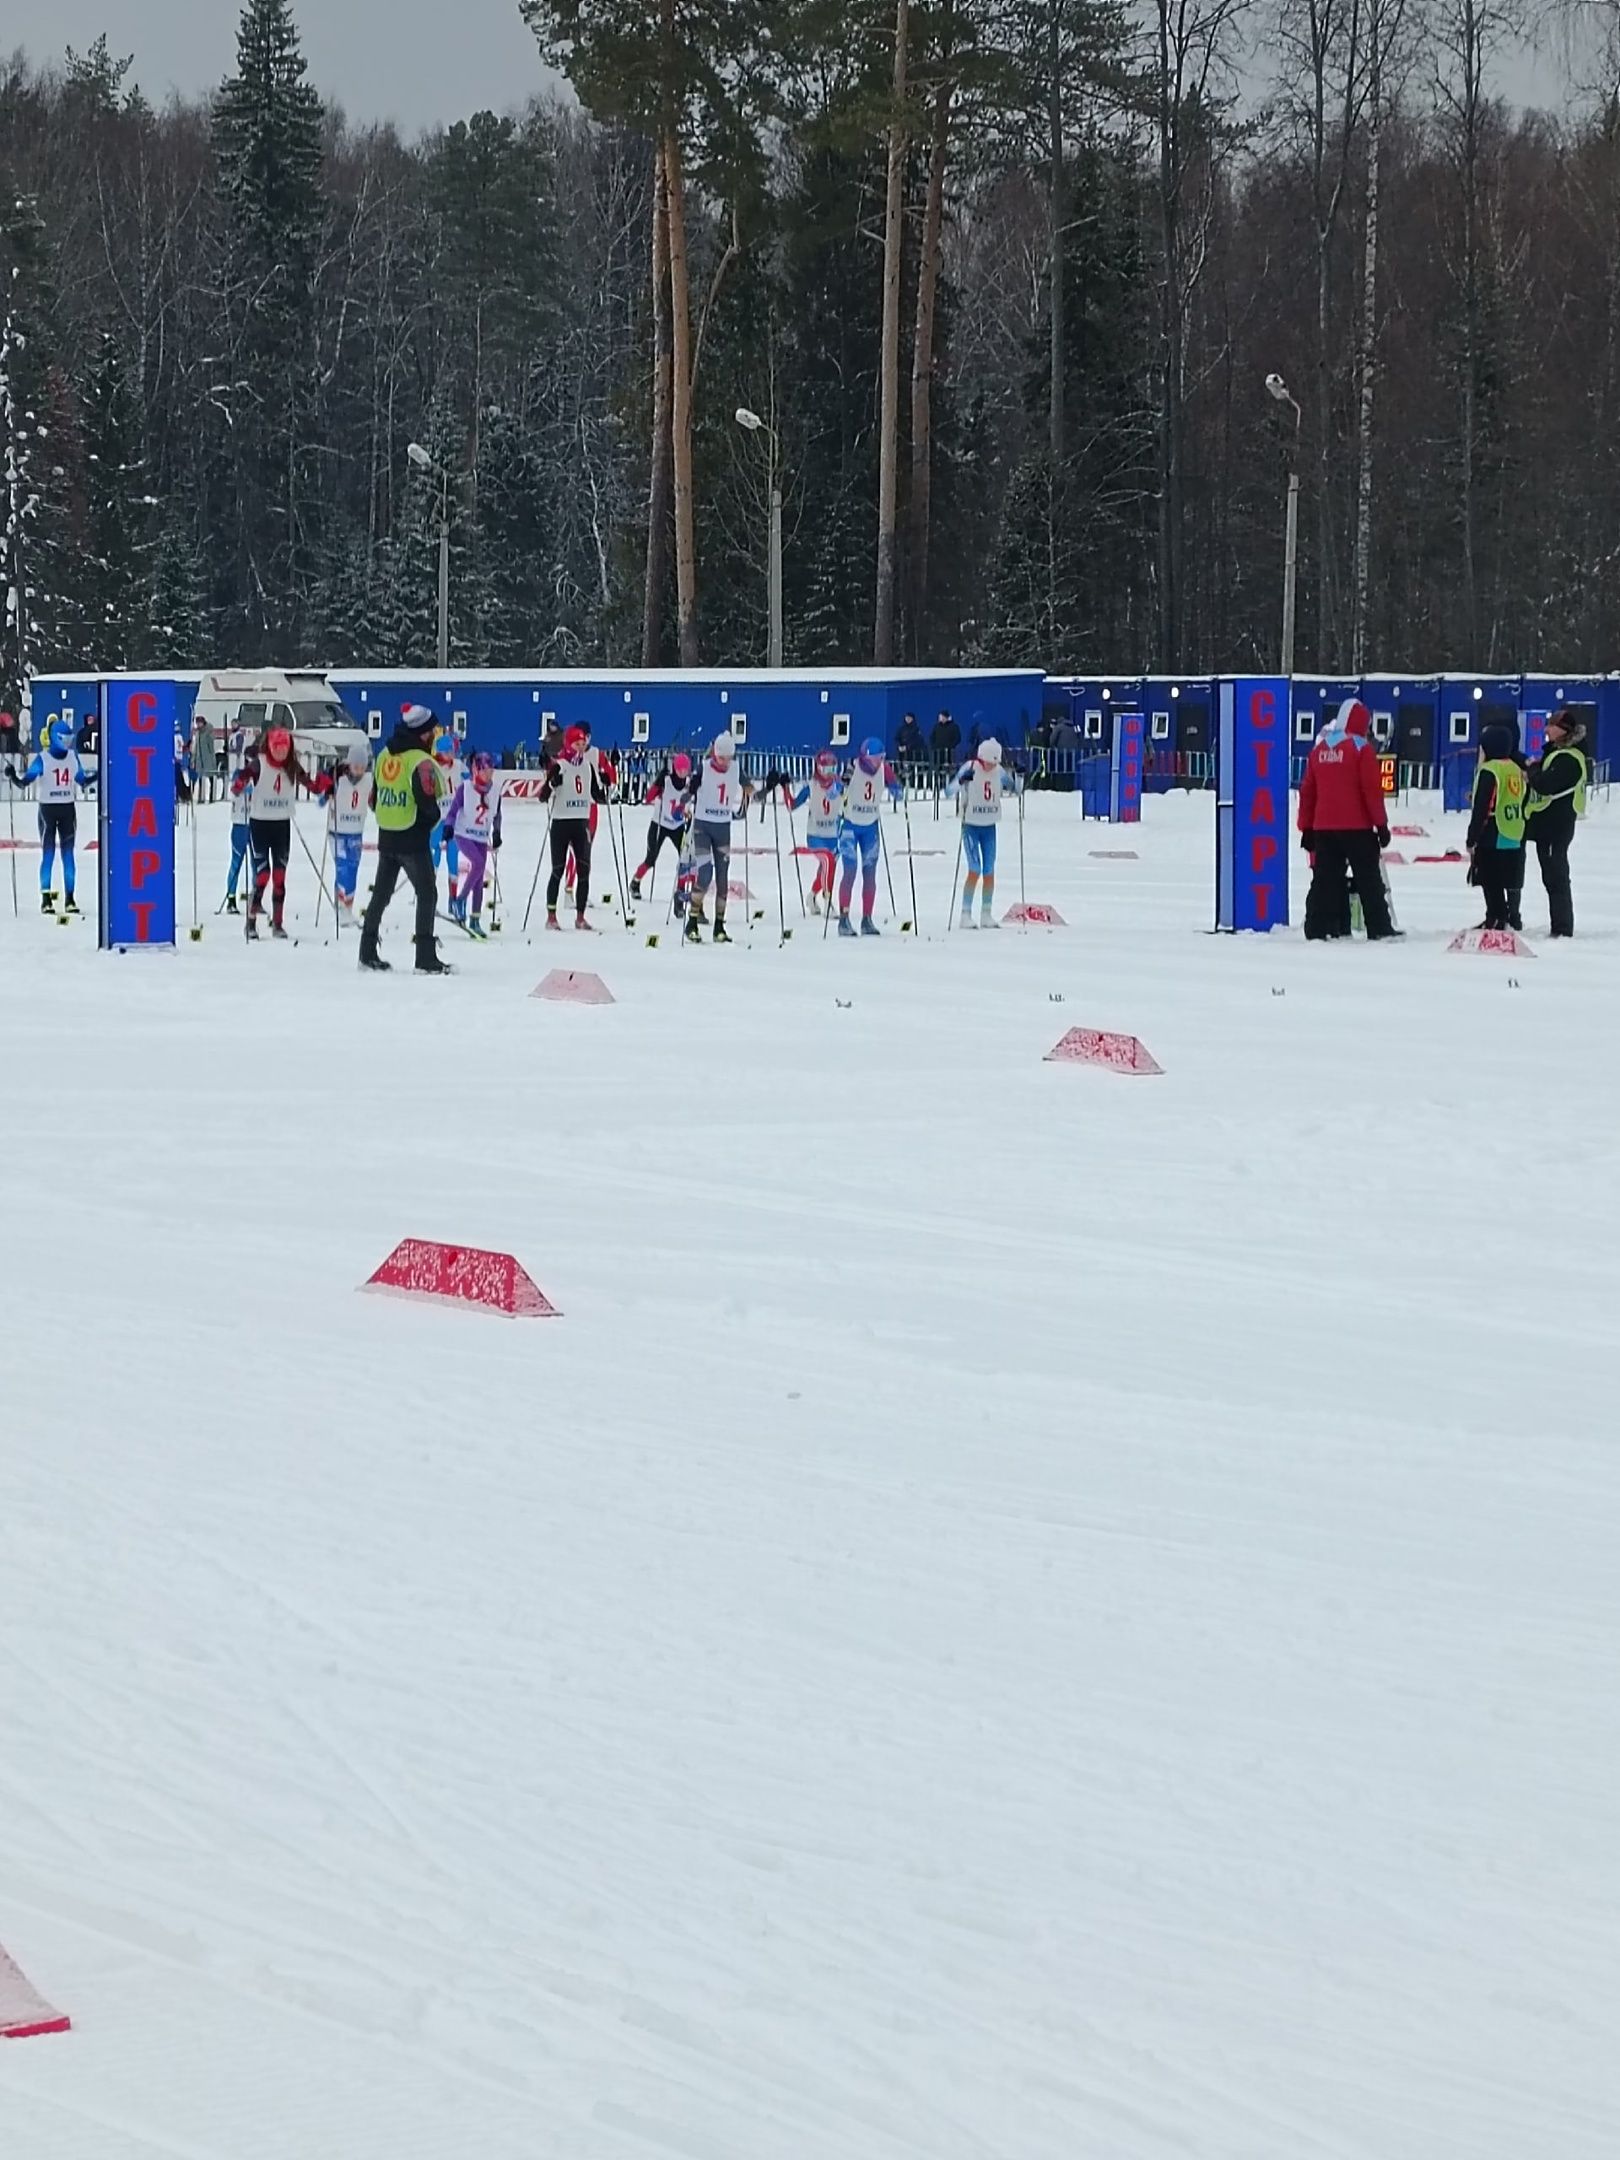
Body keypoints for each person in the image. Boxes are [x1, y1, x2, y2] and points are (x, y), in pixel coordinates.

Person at [1297, 700, 1399, 942]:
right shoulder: (1361, 748)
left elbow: (1308, 791)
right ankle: (1379, 927)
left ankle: (1317, 926)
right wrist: (1381, 825)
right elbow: (1371, 791)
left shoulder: (1320, 750)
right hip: (1357, 828)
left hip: (1324, 829)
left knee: (1325, 879)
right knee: (1369, 880)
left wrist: (1306, 827)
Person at [360, 705, 451, 973]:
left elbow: (374, 799)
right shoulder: (420, 761)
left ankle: (366, 951)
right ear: (424, 734)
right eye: (433, 730)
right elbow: (428, 802)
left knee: (381, 895)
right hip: (412, 837)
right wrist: (430, 822)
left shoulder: (385, 754)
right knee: (427, 894)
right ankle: (425, 957)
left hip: (387, 834)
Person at [231, 723, 330, 940]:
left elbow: (312, 787)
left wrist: (324, 782)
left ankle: (278, 923)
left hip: (281, 824)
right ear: (269, 746)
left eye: (284, 747)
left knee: (279, 876)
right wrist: (239, 783)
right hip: (260, 824)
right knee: (263, 875)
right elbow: (241, 781)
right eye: (277, 747)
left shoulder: (292, 765)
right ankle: (251, 920)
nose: (280, 751)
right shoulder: (260, 763)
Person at [5, 717, 95, 916]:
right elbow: (24, 783)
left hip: (67, 809)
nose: (68, 743)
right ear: (55, 738)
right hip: (48, 810)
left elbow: (83, 781)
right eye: (64, 739)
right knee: (48, 854)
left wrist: (99, 775)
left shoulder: (72, 757)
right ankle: (46, 899)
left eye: (69, 739)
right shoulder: (43, 758)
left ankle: (70, 898)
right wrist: (12, 776)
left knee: (68, 855)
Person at [1524, 708, 1587, 938]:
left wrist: (1532, 771)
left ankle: (1562, 928)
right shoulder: (1558, 754)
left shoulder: (1569, 758)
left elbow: (1545, 784)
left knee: (1556, 877)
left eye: (1551, 725)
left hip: (1555, 826)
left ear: (1564, 731)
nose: (1546, 729)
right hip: (1549, 825)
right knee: (1551, 876)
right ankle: (1559, 926)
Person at [683, 730, 750, 944]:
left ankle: (719, 926)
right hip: (702, 827)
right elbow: (687, 791)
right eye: (722, 758)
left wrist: (771, 784)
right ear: (714, 754)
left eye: (729, 758)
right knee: (704, 873)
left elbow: (751, 791)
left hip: (723, 828)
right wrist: (688, 793)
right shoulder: (704, 767)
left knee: (722, 879)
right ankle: (692, 920)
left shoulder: (736, 769)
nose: (725, 763)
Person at [541, 725, 607, 931]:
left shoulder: (588, 767)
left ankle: (580, 917)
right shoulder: (559, 765)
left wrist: (606, 782)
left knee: (584, 869)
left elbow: (598, 796)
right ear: (569, 744)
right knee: (558, 870)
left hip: (581, 822)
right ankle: (551, 916)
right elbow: (542, 796)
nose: (580, 747)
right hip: (561, 822)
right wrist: (553, 784)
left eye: (582, 744)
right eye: (576, 744)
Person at [1466, 720, 1529, 933]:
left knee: (1489, 878)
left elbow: (1482, 806)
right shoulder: (1515, 768)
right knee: (1504, 878)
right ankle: (1506, 917)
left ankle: (1496, 918)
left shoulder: (1489, 770)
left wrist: (1472, 837)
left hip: (1493, 831)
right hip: (1514, 830)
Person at [836, 736, 899, 938]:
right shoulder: (852, 767)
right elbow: (836, 788)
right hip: (850, 826)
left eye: (881, 758)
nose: (878, 763)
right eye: (875, 759)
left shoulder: (884, 768)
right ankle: (844, 919)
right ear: (865, 757)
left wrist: (897, 789)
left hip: (870, 826)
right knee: (850, 871)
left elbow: (897, 789)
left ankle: (867, 919)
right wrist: (837, 787)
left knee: (870, 872)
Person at [951, 737, 1016, 929]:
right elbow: (949, 789)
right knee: (974, 868)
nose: (991, 766)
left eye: (995, 762)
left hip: (989, 825)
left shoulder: (999, 771)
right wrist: (962, 782)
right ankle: (965, 914)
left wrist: (1019, 776)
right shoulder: (970, 767)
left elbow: (1015, 788)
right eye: (988, 762)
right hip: (971, 825)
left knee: (989, 870)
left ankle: (986, 913)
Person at [441, 749, 503, 938]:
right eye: (485, 771)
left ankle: (475, 919)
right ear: (476, 771)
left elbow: (497, 814)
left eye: (491, 770)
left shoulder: (494, 791)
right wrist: (449, 827)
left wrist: (497, 832)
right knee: (477, 864)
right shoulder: (465, 788)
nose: (489, 774)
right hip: (464, 833)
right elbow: (453, 812)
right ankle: (460, 900)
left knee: (478, 879)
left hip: (482, 836)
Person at [787, 748, 843, 913]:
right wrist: (785, 787)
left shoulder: (839, 785)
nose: (829, 773)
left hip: (833, 834)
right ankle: (827, 901)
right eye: (825, 769)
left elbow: (849, 804)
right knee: (827, 861)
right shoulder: (811, 786)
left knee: (827, 868)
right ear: (818, 768)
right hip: (815, 834)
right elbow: (792, 805)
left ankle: (811, 896)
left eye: (833, 769)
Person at [631, 752, 693, 898]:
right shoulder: (666, 781)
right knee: (651, 858)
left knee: (685, 859)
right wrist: (657, 784)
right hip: (659, 824)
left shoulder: (690, 784)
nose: (682, 773)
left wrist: (688, 815)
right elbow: (648, 798)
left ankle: (680, 890)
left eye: (685, 770)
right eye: (679, 770)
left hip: (678, 826)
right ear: (674, 769)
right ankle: (635, 882)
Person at [328, 739, 373, 921]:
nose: (359, 771)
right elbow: (323, 795)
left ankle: (348, 905)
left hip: (356, 831)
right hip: (337, 831)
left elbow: (372, 802)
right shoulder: (339, 779)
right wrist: (328, 794)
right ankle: (339, 904)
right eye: (356, 766)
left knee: (353, 868)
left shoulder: (369, 781)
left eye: (362, 767)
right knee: (342, 866)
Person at [428, 730, 463, 908]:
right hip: (436, 820)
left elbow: (469, 784)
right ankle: (429, 894)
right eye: (447, 751)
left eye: (452, 751)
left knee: (452, 857)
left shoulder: (458, 766)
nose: (450, 754)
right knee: (432, 853)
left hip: (453, 820)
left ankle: (453, 898)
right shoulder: (432, 766)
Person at [894, 711, 925, 786]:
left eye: (909, 718)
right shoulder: (901, 729)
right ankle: (902, 783)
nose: (907, 719)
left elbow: (918, 741)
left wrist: (907, 747)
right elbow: (896, 739)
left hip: (913, 754)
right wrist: (899, 746)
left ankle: (913, 784)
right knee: (901, 768)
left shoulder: (916, 729)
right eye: (906, 718)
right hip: (902, 754)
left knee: (912, 768)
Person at [929, 709, 961, 776]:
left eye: (942, 717)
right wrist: (933, 746)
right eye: (940, 717)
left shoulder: (954, 726)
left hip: (949, 753)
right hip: (938, 753)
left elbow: (958, 738)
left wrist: (951, 746)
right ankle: (937, 783)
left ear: (946, 717)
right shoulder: (936, 726)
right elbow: (932, 737)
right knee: (937, 770)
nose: (941, 719)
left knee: (948, 770)